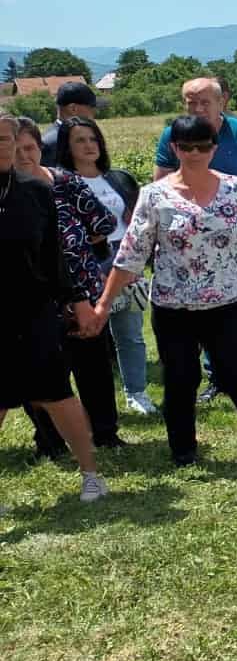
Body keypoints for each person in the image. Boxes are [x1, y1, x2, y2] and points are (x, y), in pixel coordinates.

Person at [90, 115, 237, 465]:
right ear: (174, 148)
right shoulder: (153, 195)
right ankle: (183, 450)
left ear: (214, 148)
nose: (195, 153)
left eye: (202, 146)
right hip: (173, 304)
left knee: (235, 371)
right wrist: (104, 304)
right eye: (186, 147)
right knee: (181, 376)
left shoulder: (235, 188)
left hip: (228, 300)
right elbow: (131, 255)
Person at [0, 113, 105, 501]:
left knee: (57, 394)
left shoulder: (36, 191)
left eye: (5, 139)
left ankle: (91, 475)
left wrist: (77, 300)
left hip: (34, 310)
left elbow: (53, 257)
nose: (1, 147)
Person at [154, 76, 237, 394]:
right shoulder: (172, 135)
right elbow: (160, 185)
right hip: (195, 241)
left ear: (221, 102)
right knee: (206, 305)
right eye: (191, 103)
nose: (198, 109)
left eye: (205, 102)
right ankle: (217, 376)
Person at [13, 117, 125, 455]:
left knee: (94, 367)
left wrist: (78, 246)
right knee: (38, 372)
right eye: (15, 150)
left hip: (83, 291)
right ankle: (49, 441)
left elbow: (104, 223)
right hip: (31, 300)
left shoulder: (66, 182)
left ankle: (105, 433)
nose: (23, 156)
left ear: (40, 148)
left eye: (29, 148)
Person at [54, 116, 155, 416]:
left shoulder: (118, 178)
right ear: (67, 147)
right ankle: (87, 406)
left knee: (130, 333)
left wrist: (135, 261)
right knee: (90, 336)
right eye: (80, 140)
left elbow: (136, 221)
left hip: (123, 258)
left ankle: (137, 393)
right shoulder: (60, 182)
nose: (89, 145)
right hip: (85, 263)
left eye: (93, 139)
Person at [39, 79, 98, 167]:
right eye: (91, 108)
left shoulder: (54, 139)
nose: (94, 114)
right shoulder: (50, 144)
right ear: (73, 109)